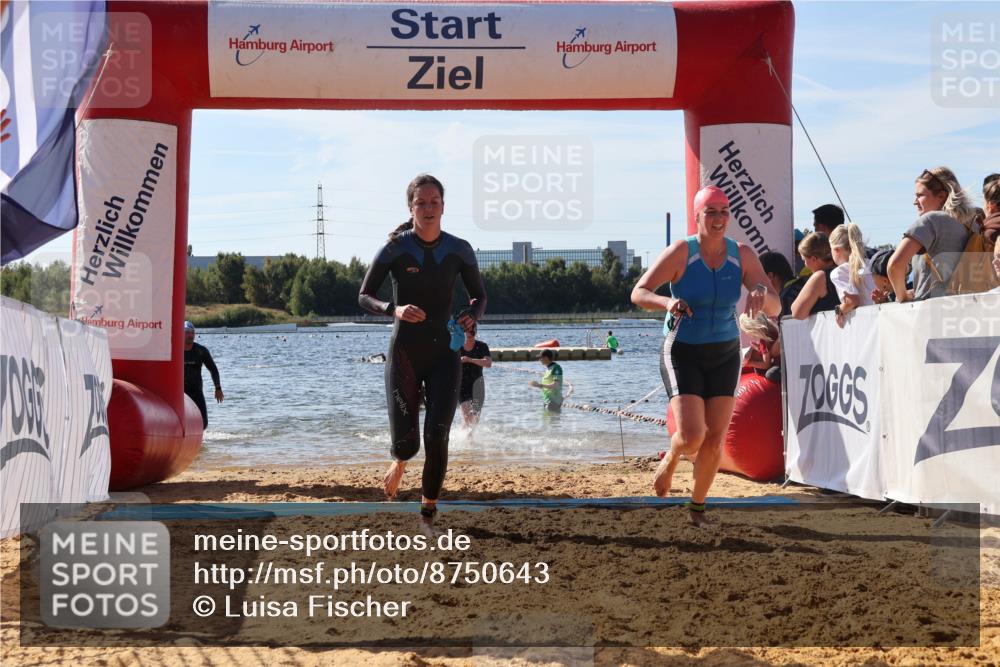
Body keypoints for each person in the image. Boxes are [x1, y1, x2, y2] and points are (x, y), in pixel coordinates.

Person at [630, 185, 780, 526]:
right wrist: (667, 302)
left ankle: (697, 510)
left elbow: (776, 304)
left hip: (725, 352)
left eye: (724, 211)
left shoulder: (741, 254)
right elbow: (638, 292)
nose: (718, 218)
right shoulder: (682, 252)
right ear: (696, 216)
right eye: (710, 212)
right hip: (683, 350)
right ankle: (672, 456)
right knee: (693, 436)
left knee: (715, 439)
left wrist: (760, 292)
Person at [358, 174, 487, 528]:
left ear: (443, 206)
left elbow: (480, 296)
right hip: (405, 356)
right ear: (410, 207)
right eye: (421, 203)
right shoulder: (395, 249)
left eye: (434, 202)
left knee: (437, 434)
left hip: (445, 353)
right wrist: (392, 309)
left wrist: (471, 316)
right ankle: (398, 461)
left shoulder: (459, 249)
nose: (428, 208)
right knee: (407, 443)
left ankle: (428, 510)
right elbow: (364, 295)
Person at [887, 167, 975, 302]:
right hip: (968, 308)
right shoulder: (972, 223)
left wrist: (902, 297)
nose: (915, 202)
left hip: (932, 314)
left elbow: (895, 266)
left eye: (920, 195)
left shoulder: (931, 220)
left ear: (941, 196)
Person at [828, 224, 876, 326]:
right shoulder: (872, 263)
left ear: (836, 250)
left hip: (865, 326)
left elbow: (852, 301)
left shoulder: (838, 272)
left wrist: (838, 310)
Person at [790, 232, 841, 319]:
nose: (805, 265)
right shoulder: (845, 269)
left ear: (814, 259)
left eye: (804, 260)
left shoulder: (820, 277)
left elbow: (797, 313)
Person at [183, 321, 224, 429]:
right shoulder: (175, 350)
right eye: (187, 333)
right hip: (179, 393)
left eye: (192, 333)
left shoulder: (201, 351)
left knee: (204, 423)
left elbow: (213, 369)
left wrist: (218, 388)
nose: (190, 335)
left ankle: (197, 441)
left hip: (196, 391)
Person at [459, 324, 492, 427]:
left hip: (478, 384)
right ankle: (464, 439)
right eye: (468, 331)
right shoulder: (457, 347)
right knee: (467, 417)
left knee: (475, 419)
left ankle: (469, 439)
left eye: (472, 332)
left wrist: (469, 360)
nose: (470, 334)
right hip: (462, 385)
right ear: (463, 332)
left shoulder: (482, 346)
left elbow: (488, 363)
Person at [759, 250, 805, 317]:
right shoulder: (802, 285)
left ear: (770, 276)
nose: (758, 284)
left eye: (760, 278)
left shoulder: (786, 298)